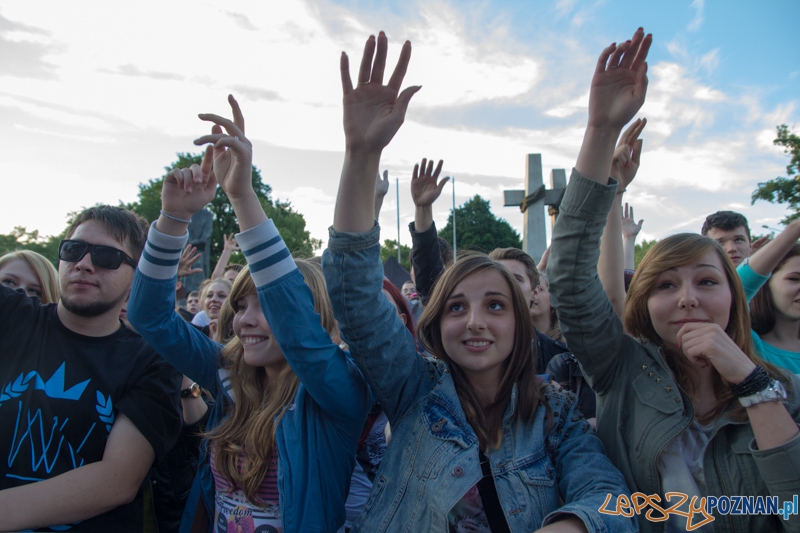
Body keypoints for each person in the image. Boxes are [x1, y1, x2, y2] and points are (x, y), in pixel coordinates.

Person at [323, 31, 635, 533]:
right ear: (434, 321)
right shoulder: (412, 388)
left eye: (495, 305)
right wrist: (359, 155)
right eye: (455, 307)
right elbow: (355, 299)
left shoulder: (554, 413)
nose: (474, 321)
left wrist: (573, 525)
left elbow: (609, 497)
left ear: (520, 319)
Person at [549, 27, 800, 532]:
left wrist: (749, 383)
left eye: (706, 282)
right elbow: (570, 275)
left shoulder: (781, 390)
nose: (686, 298)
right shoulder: (620, 368)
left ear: (736, 294)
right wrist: (599, 130)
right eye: (665, 285)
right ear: (644, 302)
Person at [127, 95, 370, 533]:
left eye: (267, 307)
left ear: (313, 317)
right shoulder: (226, 373)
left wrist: (241, 195)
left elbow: (296, 332)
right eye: (241, 306)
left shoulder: (338, 392)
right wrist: (172, 219)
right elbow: (150, 318)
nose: (245, 320)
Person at [0, 205, 182, 532]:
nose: (83, 264)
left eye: (106, 257)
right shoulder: (12, 317)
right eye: (73, 250)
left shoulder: (153, 362)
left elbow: (117, 479)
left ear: (137, 275)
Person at [750, 243, 800, 372]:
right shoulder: (749, 344)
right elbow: (737, 290)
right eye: (794, 279)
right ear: (764, 283)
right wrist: (794, 229)